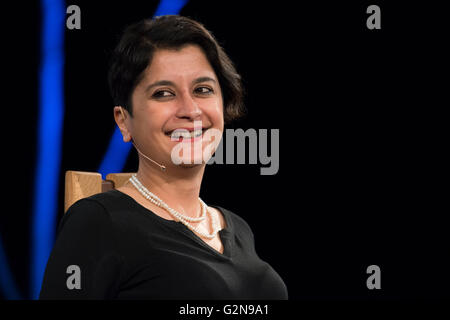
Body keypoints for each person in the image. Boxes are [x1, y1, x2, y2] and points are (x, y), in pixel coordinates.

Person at [39, 15, 288, 299]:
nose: (190, 109)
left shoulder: (238, 228)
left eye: (203, 90)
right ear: (124, 121)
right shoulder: (98, 222)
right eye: (163, 93)